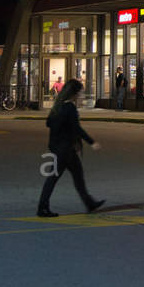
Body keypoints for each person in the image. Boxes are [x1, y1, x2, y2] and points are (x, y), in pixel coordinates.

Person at [36, 79, 105, 217]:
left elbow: (49, 123)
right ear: (74, 93)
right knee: (56, 177)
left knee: (74, 176)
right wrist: (92, 142)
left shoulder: (58, 106)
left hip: (58, 147)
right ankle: (43, 207)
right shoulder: (69, 108)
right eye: (80, 92)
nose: (81, 95)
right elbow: (77, 128)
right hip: (65, 149)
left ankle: (89, 202)